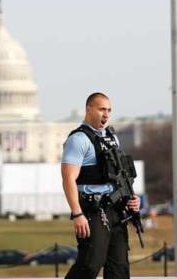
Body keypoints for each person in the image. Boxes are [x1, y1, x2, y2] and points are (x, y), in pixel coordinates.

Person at [62, 92, 140, 279]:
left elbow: (120, 175)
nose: (106, 114)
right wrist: (77, 213)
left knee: (119, 270)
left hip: (117, 211)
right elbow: (67, 179)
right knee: (90, 264)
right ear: (88, 110)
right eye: (101, 109)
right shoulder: (78, 140)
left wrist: (132, 198)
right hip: (93, 211)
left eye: (109, 110)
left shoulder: (112, 138)